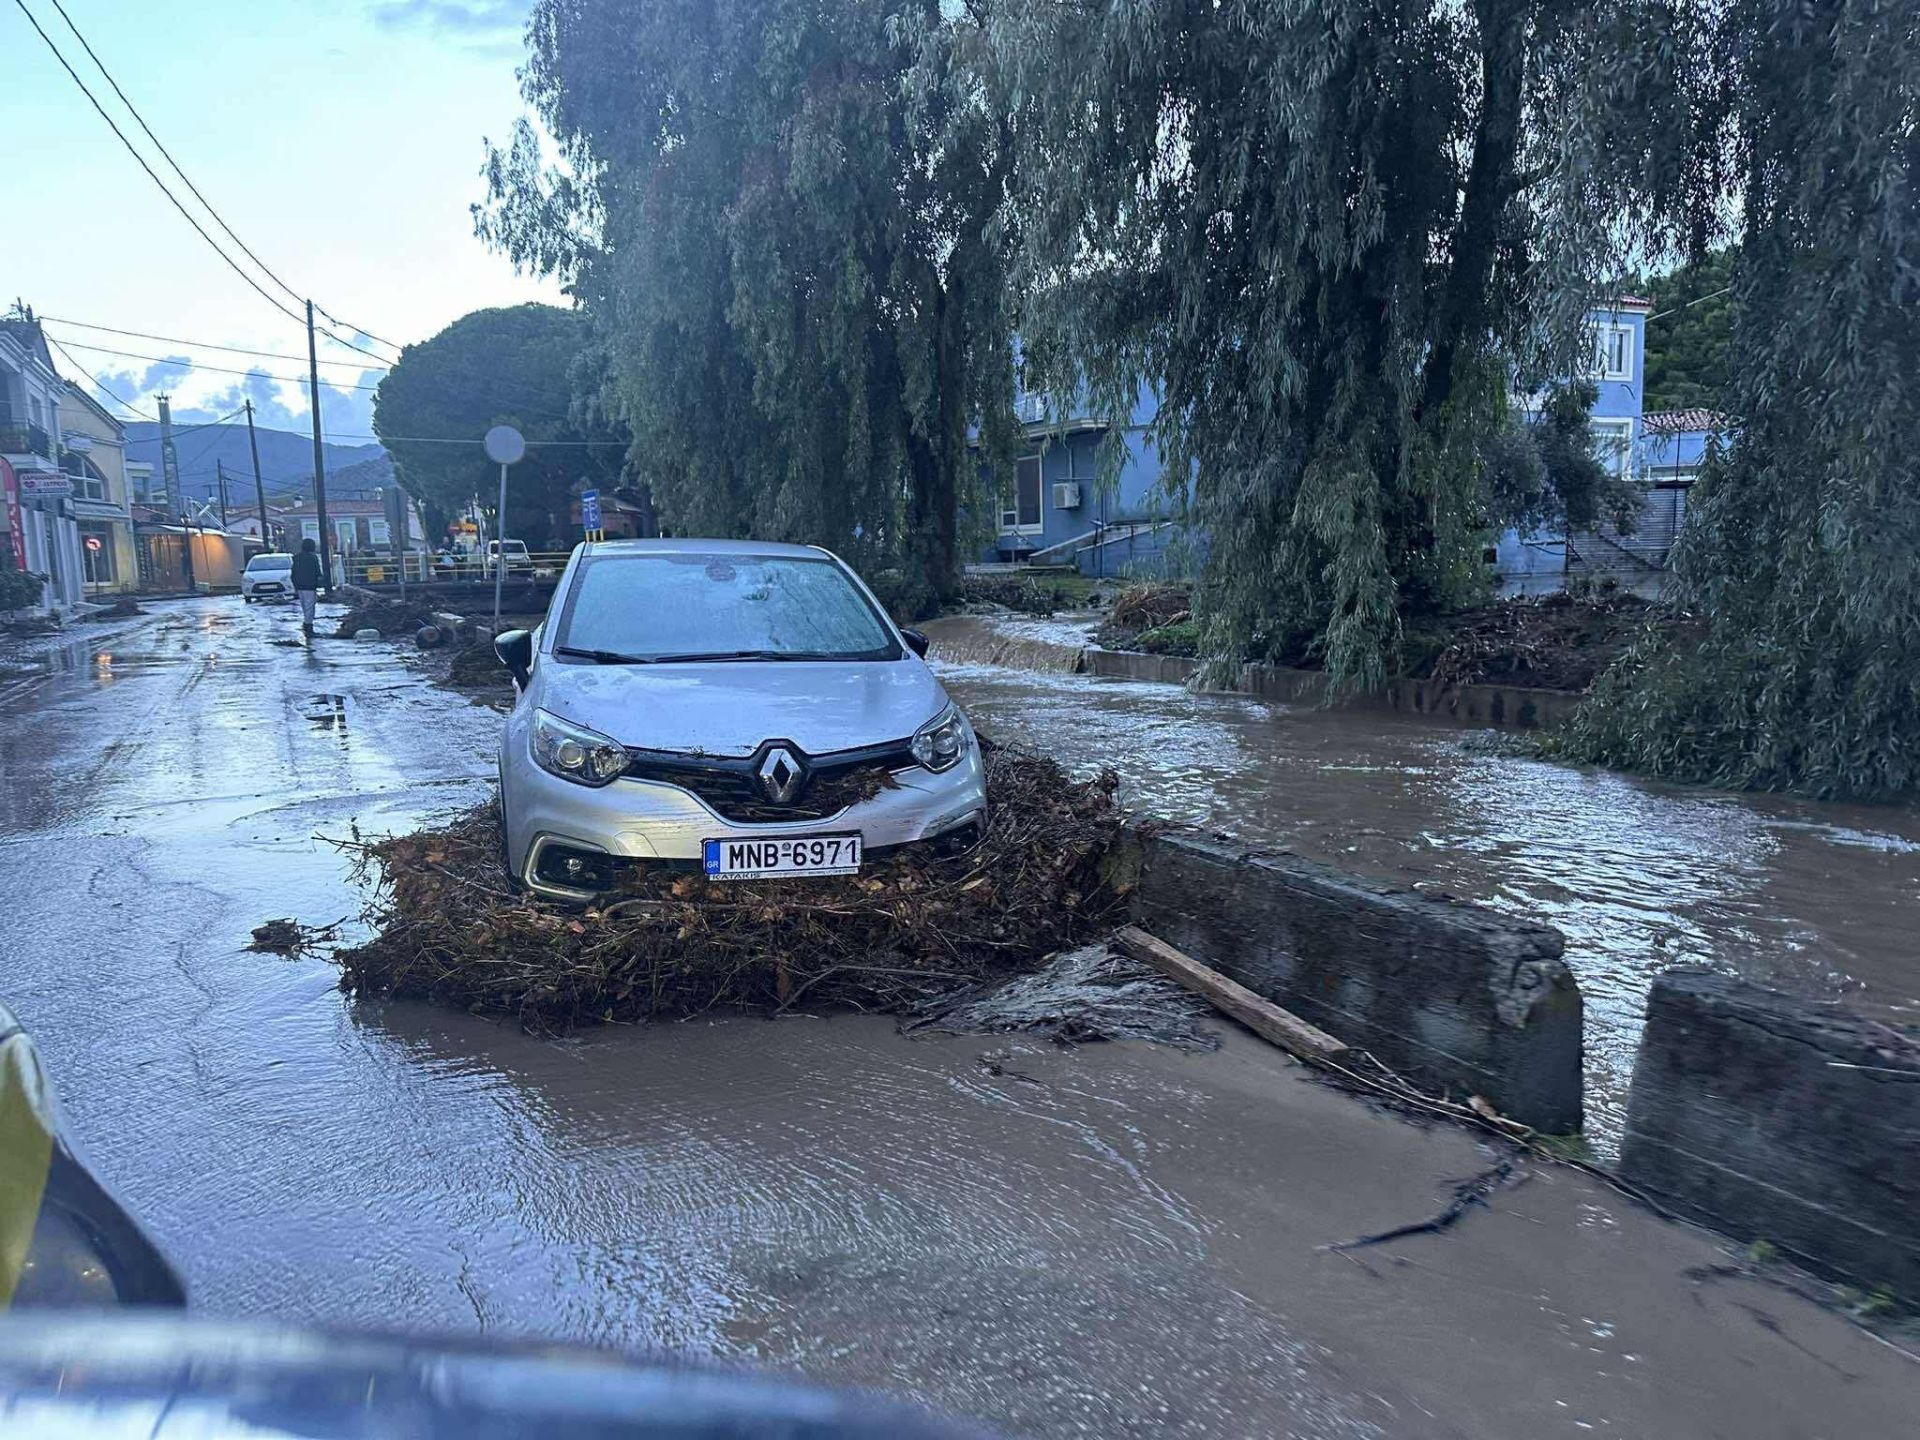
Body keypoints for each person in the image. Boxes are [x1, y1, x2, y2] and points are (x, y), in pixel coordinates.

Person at [291, 537, 323, 639]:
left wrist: (295, 585)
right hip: (310, 585)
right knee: (310, 607)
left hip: (300, 586)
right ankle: (308, 626)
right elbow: (317, 572)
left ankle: (306, 624)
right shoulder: (313, 558)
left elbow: (293, 573)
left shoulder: (296, 558)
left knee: (304, 606)